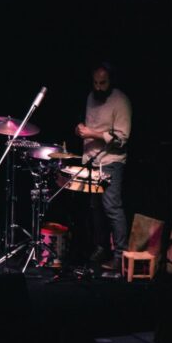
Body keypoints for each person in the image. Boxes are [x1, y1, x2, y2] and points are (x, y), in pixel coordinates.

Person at [75, 61, 131, 272]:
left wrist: (92, 134)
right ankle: (102, 247)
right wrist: (81, 129)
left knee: (112, 207)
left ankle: (120, 254)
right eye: (95, 82)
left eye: (103, 83)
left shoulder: (121, 101)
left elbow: (121, 139)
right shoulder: (91, 97)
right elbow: (91, 125)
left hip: (111, 162)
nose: (98, 87)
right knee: (95, 208)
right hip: (91, 160)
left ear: (111, 81)